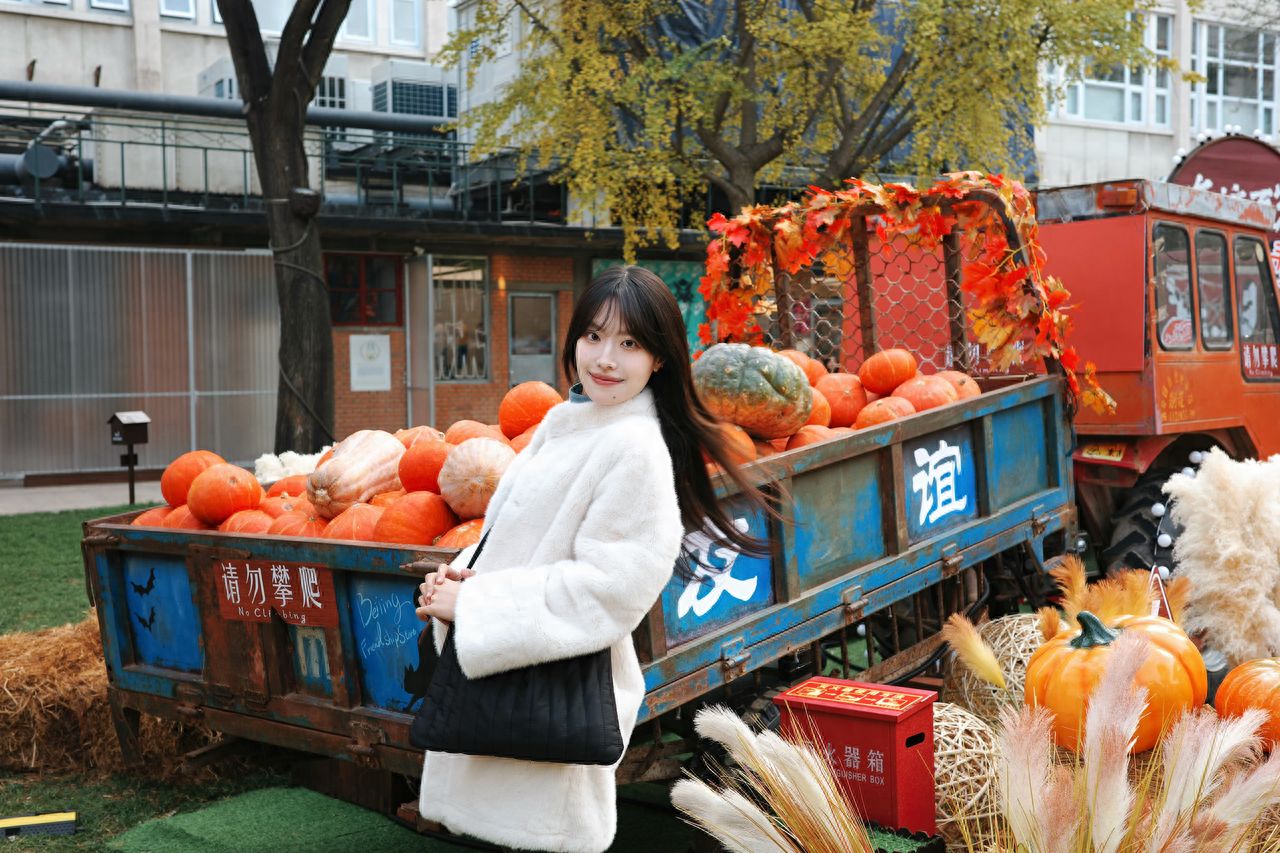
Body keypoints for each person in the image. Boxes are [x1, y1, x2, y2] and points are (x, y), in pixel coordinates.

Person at [414, 265, 772, 853]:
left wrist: (479, 605)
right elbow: (517, 537)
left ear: (659, 359)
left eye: (630, 343)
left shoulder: (633, 448)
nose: (605, 358)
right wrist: (461, 580)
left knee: (538, 838)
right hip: (508, 677)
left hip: (549, 691)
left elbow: (613, 588)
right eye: (594, 336)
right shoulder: (566, 424)